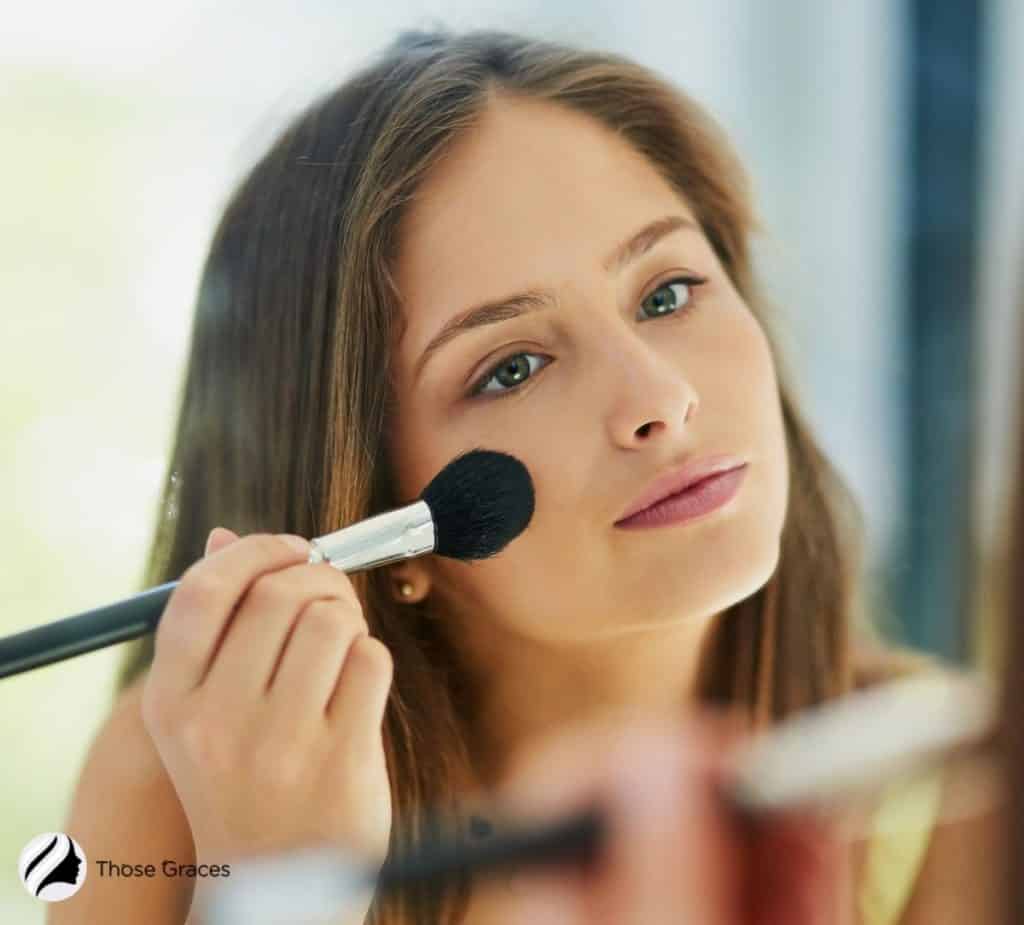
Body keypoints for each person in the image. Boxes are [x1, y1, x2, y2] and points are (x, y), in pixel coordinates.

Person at [51, 26, 994, 925]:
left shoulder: (952, 781)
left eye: (667, 294)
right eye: (512, 367)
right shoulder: (176, 784)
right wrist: (288, 893)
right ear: (370, 503)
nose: (658, 397)